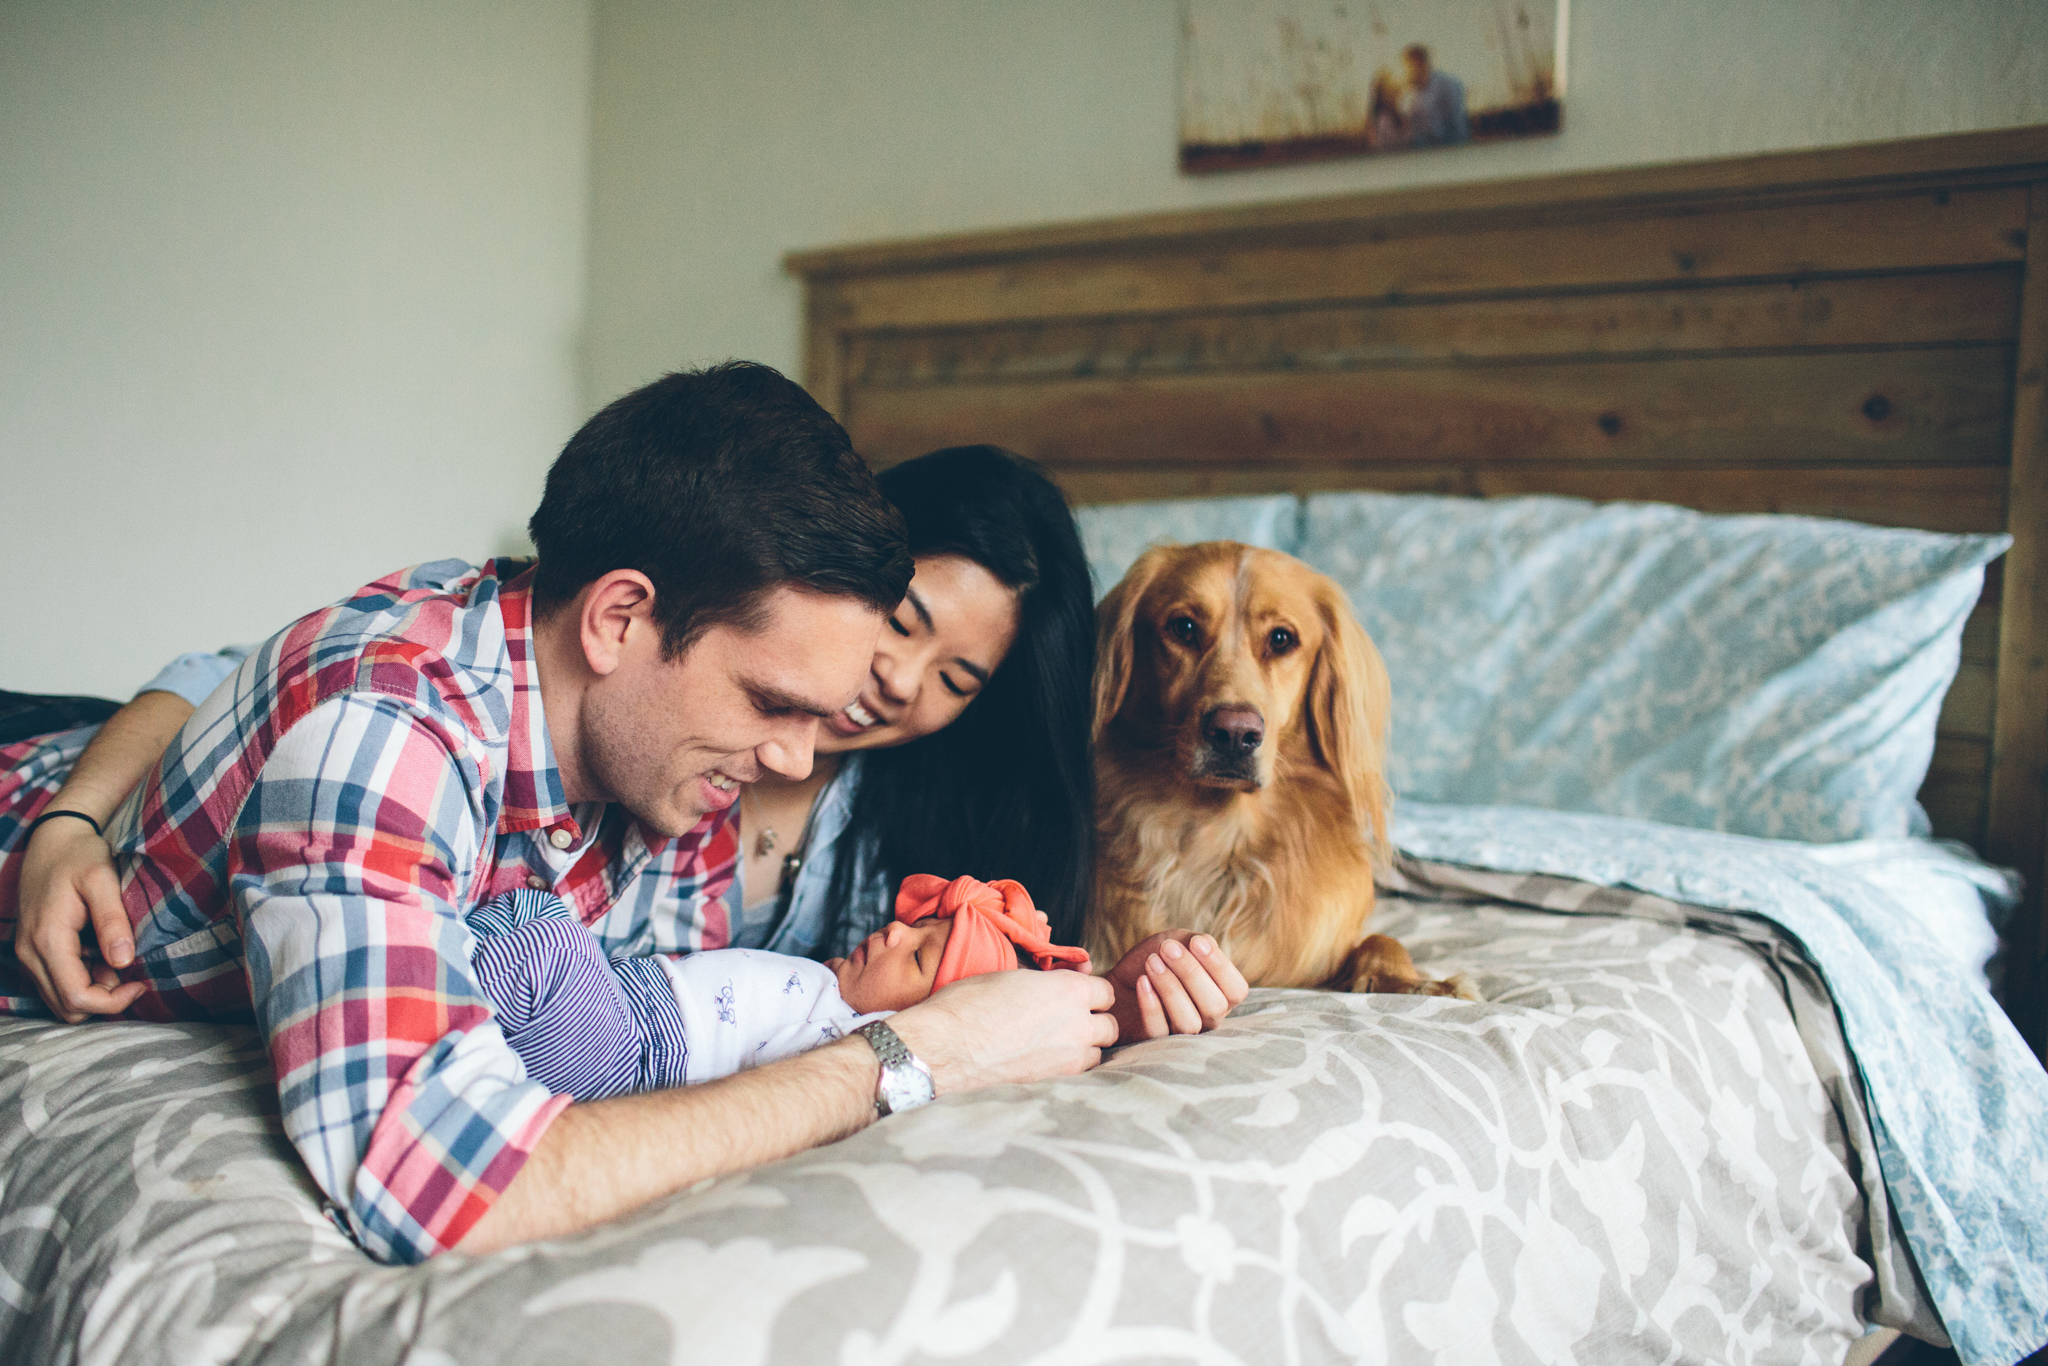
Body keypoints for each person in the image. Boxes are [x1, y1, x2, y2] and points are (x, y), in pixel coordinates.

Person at [0, 362, 1237, 1266]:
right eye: (770, 700)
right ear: (617, 618)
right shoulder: (385, 733)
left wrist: (1090, 1000)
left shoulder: (665, 757)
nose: (800, 752)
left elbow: (689, 1019)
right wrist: (918, 1063)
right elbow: (443, 1186)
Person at [467, 871, 1132, 1099]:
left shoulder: (847, 1039)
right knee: (536, 940)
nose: (895, 935)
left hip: (633, 1054)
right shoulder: (828, 987)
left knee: (536, 932)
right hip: (623, 1005)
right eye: (915, 928)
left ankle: (451, 978)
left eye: (920, 959)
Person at [1402, 44, 1469, 147]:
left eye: (1410, 67)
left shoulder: (1447, 85)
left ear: (1422, 64)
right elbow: (1414, 131)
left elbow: (1457, 122)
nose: (1407, 73)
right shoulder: (1410, 96)